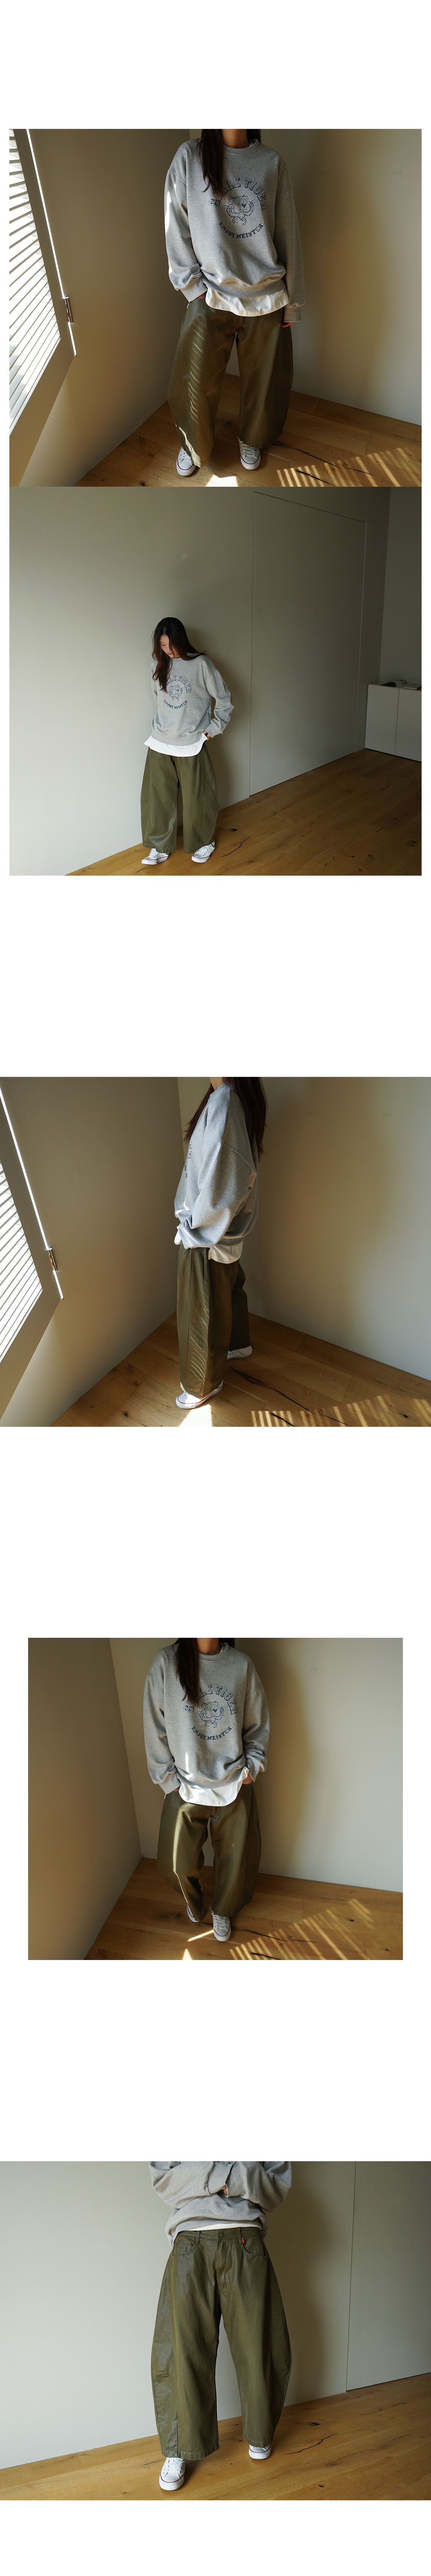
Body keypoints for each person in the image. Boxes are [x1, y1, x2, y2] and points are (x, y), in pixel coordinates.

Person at [164, 129, 304, 478]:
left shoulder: (272, 162)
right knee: (196, 381)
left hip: (267, 296)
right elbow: (175, 224)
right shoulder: (190, 157)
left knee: (265, 383)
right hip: (210, 293)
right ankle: (194, 444)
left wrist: (294, 301)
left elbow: (288, 234)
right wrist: (192, 288)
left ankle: (252, 438)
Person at [149, 2162, 292, 2490]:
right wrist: (230, 2175)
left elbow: (278, 2185)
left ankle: (260, 2431)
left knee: (258, 2344)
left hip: (246, 2238)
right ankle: (179, 2446)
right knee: (183, 2350)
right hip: (190, 2241)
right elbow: (164, 2181)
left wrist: (208, 2177)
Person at [143, 1636, 270, 1941]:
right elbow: (154, 1725)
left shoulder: (240, 1665)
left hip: (234, 1783)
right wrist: (168, 1780)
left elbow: (257, 1722)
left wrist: (251, 1770)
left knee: (237, 1860)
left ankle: (223, 1908)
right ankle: (194, 1896)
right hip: (185, 1785)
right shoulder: (166, 1663)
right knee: (176, 1862)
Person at [174, 1077, 267, 1409]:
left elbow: (224, 1185)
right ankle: (238, 1344)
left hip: (208, 1237)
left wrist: (194, 1232)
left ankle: (203, 1384)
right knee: (227, 1294)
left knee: (201, 1311)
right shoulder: (228, 1097)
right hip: (223, 1234)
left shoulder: (225, 1102)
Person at [141, 616, 232, 867]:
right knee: (158, 798)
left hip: (192, 743)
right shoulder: (157, 663)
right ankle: (160, 846)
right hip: (161, 741)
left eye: (172, 645)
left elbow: (225, 700)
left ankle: (204, 842)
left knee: (198, 798)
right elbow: (158, 700)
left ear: (182, 640)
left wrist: (212, 730)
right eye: (163, 645)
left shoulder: (201, 665)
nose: (168, 651)